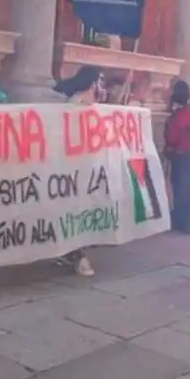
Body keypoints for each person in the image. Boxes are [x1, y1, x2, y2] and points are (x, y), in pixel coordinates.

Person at [52, 66, 105, 277]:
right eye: (100, 81)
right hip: (73, 168)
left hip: (85, 167)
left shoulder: (91, 106)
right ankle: (78, 257)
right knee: (76, 210)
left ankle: (68, 252)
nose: (102, 86)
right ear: (92, 83)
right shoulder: (74, 105)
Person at [163, 80, 190, 234]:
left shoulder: (178, 116)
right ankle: (189, 223)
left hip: (181, 156)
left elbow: (173, 137)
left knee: (180, 190)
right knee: (189, 191)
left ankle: (181, 222)